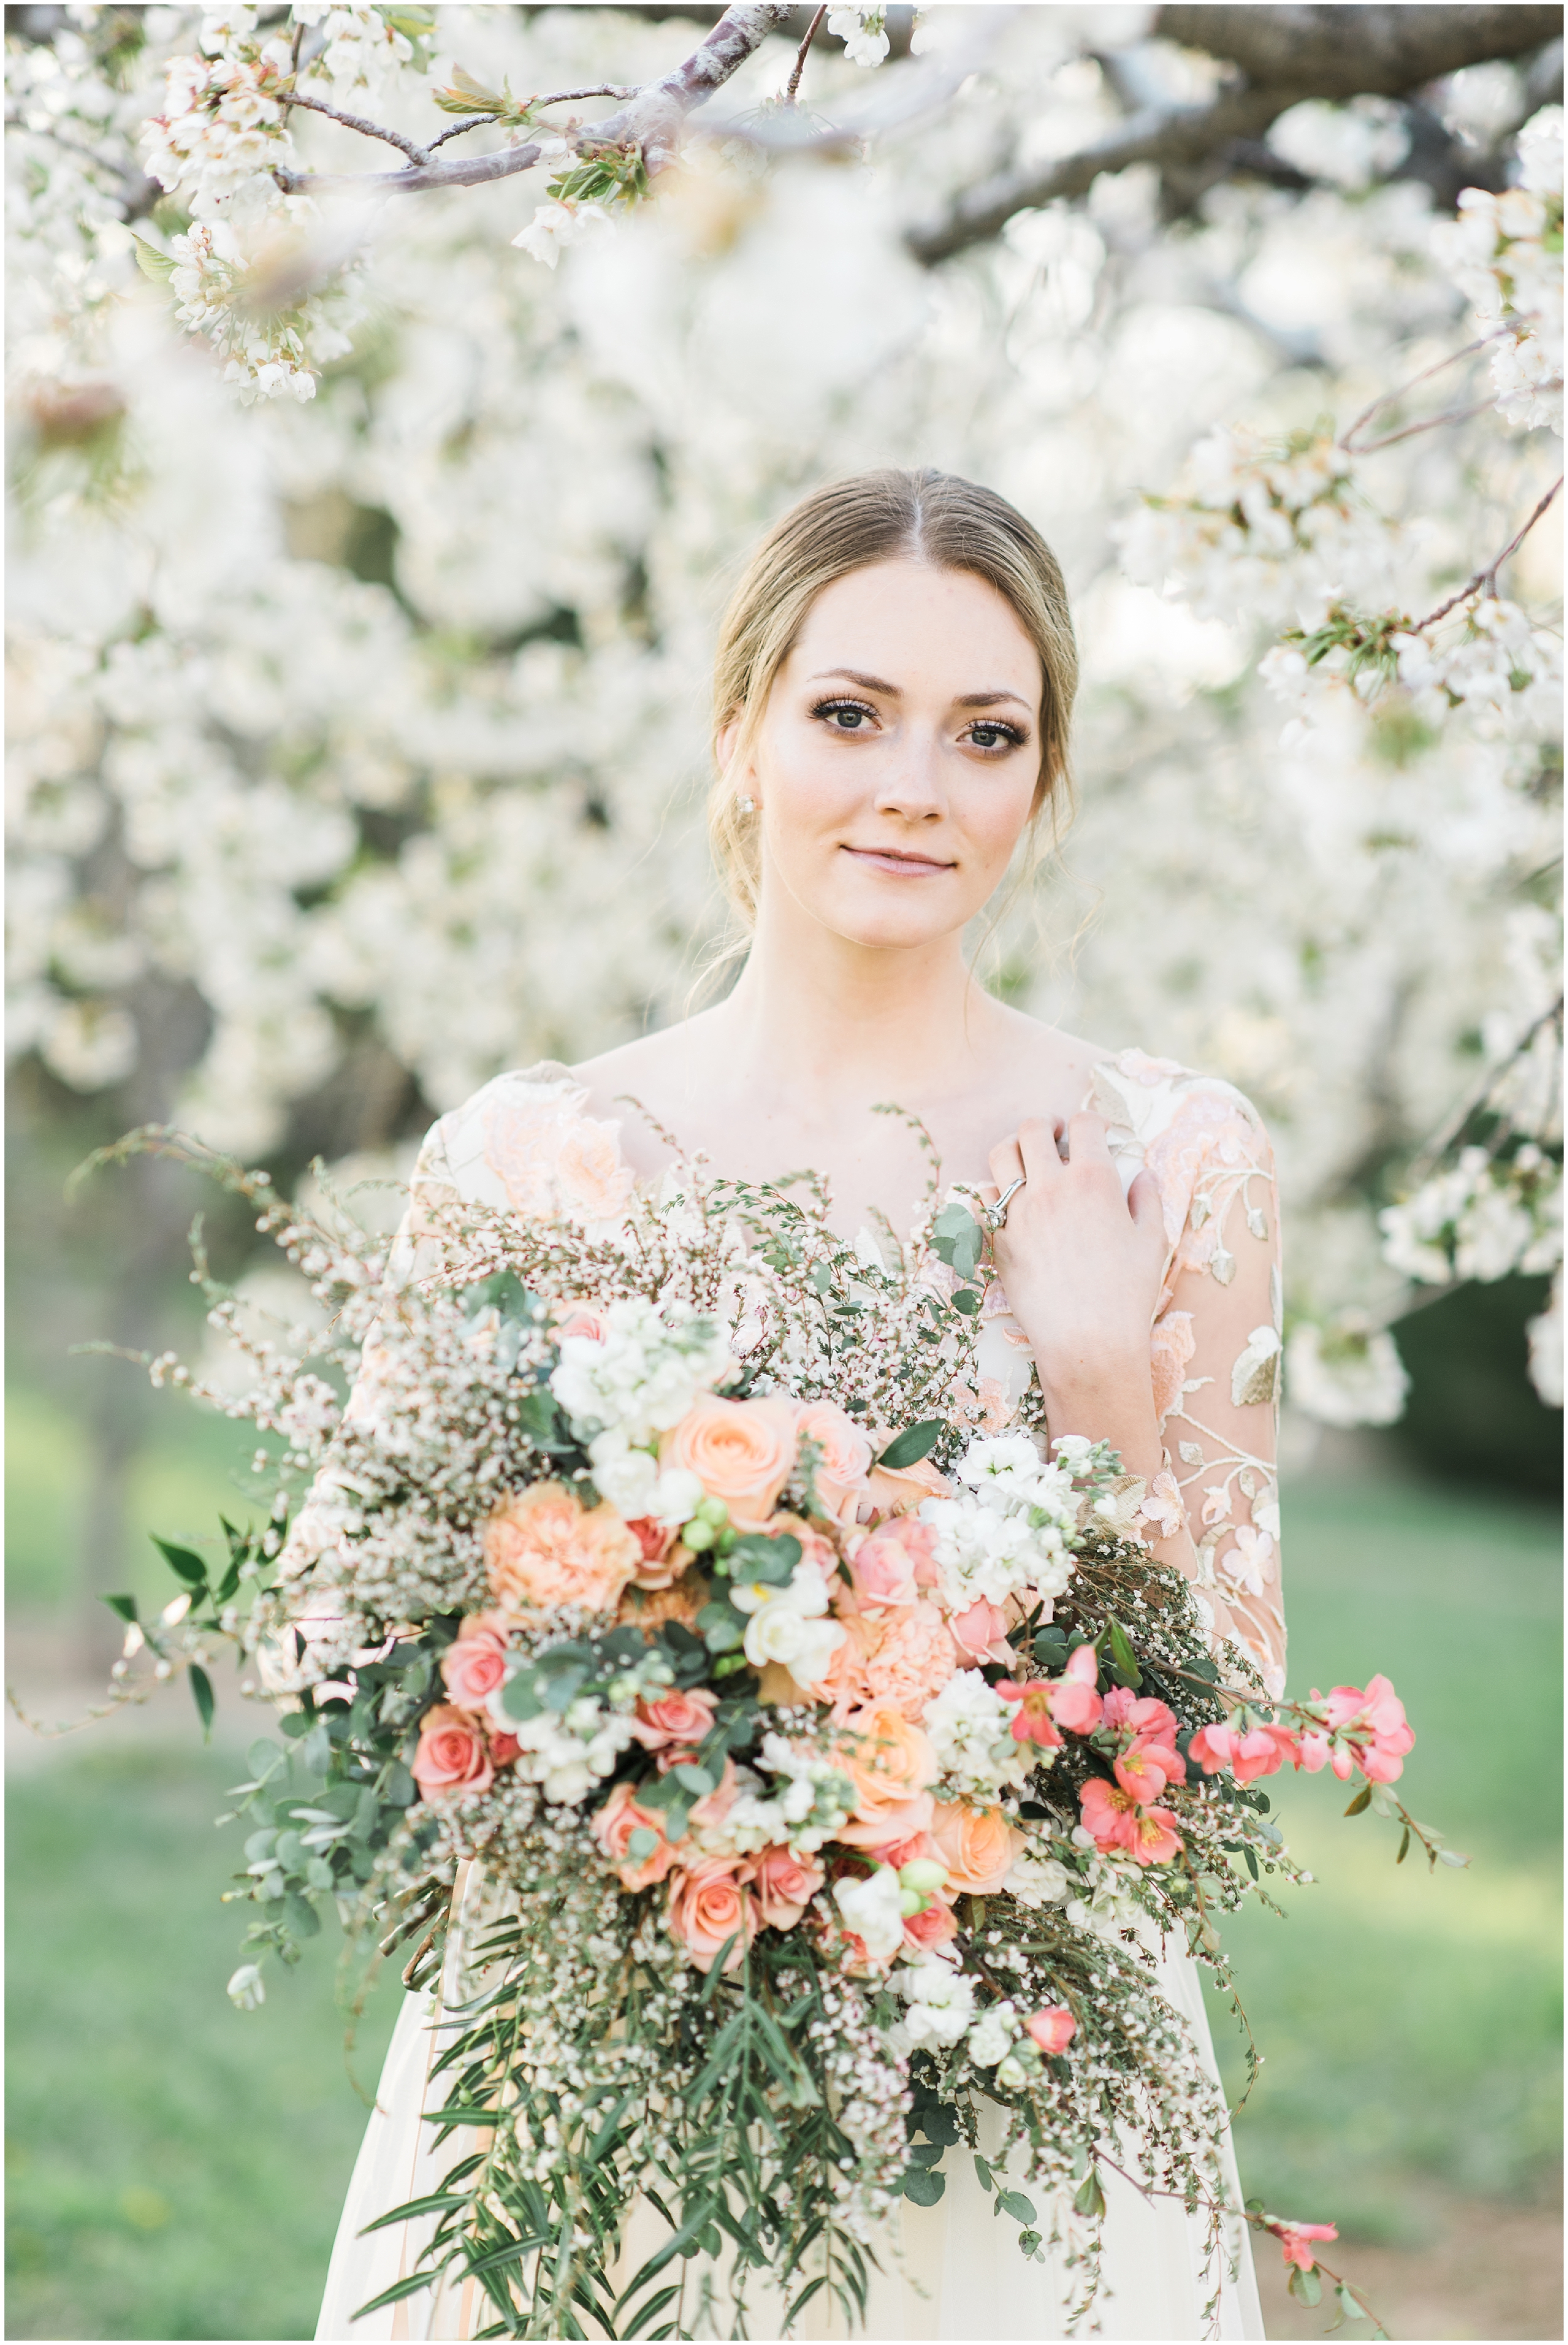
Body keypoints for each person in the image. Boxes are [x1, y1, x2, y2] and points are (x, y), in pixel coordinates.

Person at [317, 469, 1281, 2341]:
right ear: (742, 729)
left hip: (1013, 2085)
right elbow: (350, 1635)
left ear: (1039, 778)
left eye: (983, 733)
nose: (913, 781)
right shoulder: (534, 1159)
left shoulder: (1173, 1157)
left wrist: (1095, 1377)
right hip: (597, 2072)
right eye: (850, 713)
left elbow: (1225, 1713)